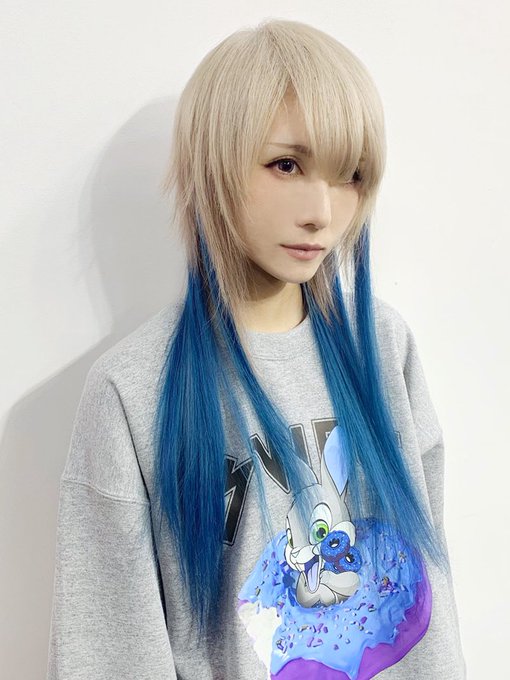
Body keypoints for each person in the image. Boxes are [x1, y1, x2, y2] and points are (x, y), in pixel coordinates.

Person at [46, 18, 466, 680]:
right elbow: (110, 650)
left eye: (350, 175)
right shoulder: (134, 389)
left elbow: (432, 601)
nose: (322, 211)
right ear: (212, 164)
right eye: (286, 165)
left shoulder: (386, 350)